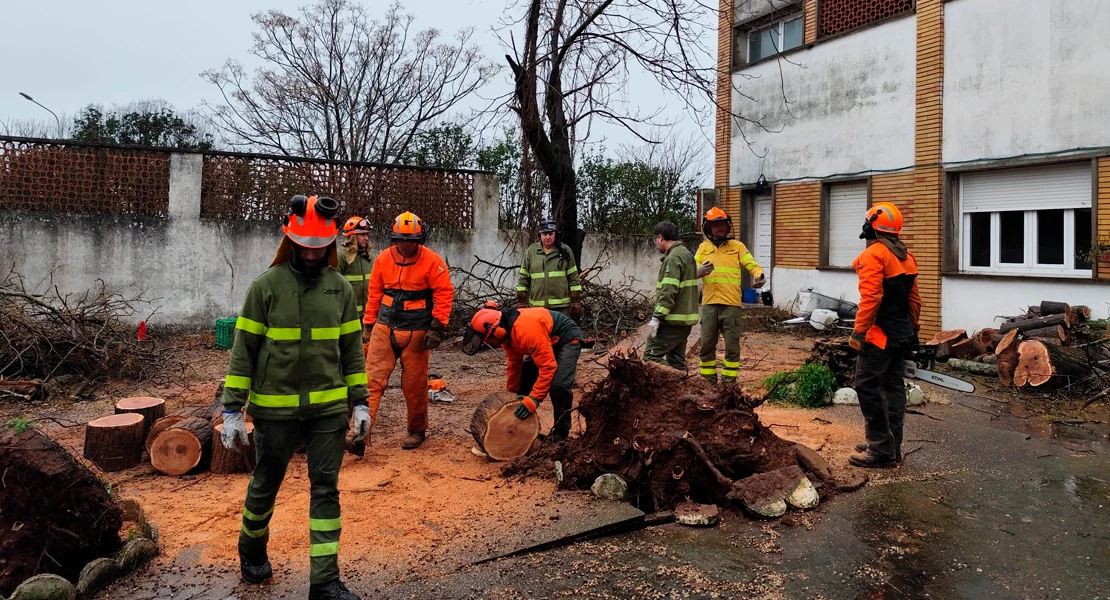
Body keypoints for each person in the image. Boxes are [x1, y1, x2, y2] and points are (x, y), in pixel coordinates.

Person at [220, 194, 369, 600]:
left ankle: (324, 581)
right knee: (266, 482)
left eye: (319, 247)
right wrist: (232, 408)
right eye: (304, 245)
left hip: (328, 408)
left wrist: (360, 401)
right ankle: (251, 548)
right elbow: (243, 350)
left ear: (331, 245)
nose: (311, 253)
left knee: (326, 488)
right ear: (290, 240)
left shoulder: (340, 289)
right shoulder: (265, 287)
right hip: (275, 409)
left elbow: (352, 352)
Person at [362, 211, 454, 450]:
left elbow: (444, 294)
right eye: (401, 240)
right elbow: (374, 294)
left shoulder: (433, 261)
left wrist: (437, 327)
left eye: (410, 240)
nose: (405, 245)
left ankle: (416, 430)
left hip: (417, 332)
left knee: (414, 386)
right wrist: (368, 324)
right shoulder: (383, 259)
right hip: (384, 327)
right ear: (394, 239)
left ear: (419, 240)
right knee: (371, 381)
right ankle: (361, 433)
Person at [848, 202, 921, 469]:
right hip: (900, 333)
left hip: (879, 335)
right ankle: (891, 445)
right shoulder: (906, 255)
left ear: (871, 226)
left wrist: (859, 331)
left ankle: (881, 451)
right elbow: (914, 299)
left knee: (866, 387)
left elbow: (871, 298)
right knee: (892, 387)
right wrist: (913, 329)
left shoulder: (874, 255)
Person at [461, 301, 582, 441]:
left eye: (490, 340)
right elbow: (514, 364)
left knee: (559, 385)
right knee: (525, 374)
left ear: (497, 331)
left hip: (566, 338)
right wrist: (512, 395)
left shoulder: (525, 330)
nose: (492, 344)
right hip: (545, 340)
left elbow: (547, 367)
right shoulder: (506, 337)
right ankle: (518, 424)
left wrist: (534, 399)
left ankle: (561, 433)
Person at [694, 207, 766, 385]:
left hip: (731, 306)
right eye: (716, 225)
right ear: (708, 228)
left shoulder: (737, 247)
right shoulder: (703, 248)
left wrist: (759, 276)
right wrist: (699, 271)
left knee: (732, 348)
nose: (721, 229)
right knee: (706, 347)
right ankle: (707, 384)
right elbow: (690, 270)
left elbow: (753, 265)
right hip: (710, 304)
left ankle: (728, 386)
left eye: (723, 225)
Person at [643, 221, 699, 370]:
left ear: (660, 237)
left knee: (650, 357)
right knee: (676, 362)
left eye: (656, 239)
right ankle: (683, 390)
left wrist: (657, 316)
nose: (656, 243)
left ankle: (680, 382)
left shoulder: (673, 258)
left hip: (672, 321)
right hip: (684, 320)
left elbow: (668, 291)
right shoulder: (686, 254)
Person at [516, 218, 584, 322]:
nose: (548, 237)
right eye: (545, 234)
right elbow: (523, 279)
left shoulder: (565, 251)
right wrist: (521, 301)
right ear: (540, 235)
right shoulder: (531, 252)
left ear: (555, 234)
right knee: (539, 336)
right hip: (537, 307)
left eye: (551, 234)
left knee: (560, 336)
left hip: (561, 308)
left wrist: (576, 302)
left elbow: (574, 278)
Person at [339, 216, 373, 319]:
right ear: (352, 236)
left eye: (367, 234)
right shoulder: (342, 257)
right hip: (347, 316)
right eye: (362, 234)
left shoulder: (367, 258)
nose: (366, 238)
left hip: (366, 316)